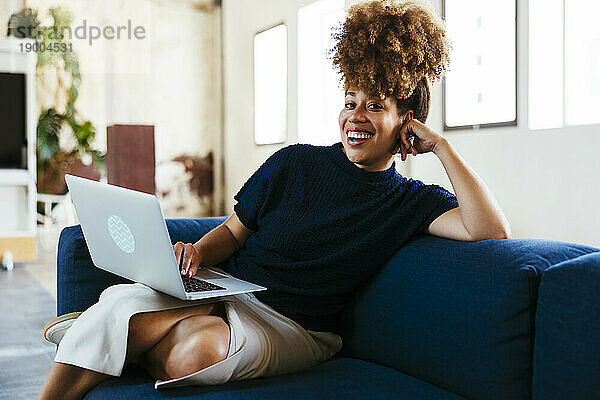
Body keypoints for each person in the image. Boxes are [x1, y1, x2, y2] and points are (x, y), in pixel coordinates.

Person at [38, 1, 510, 399]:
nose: (355, 116)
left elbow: (489, 229)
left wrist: (443, 147)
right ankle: (112, 327)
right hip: (230, 287)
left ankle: (101, 328)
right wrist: (196, 253)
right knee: (139, 320)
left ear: (406, 120)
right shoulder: (294, 163)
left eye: (375, 105)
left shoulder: (410, 201)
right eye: (350, 101)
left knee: (188, 356)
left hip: (295, 328)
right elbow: (232, 231)